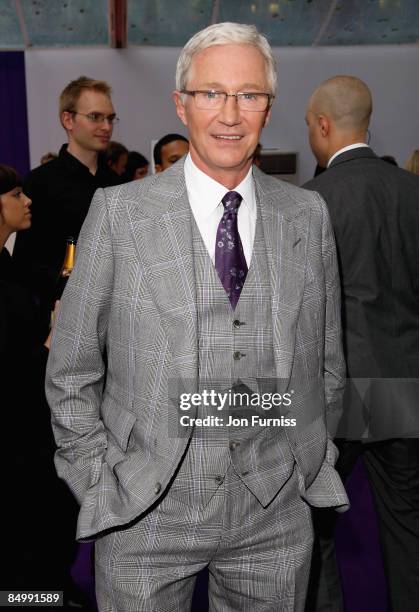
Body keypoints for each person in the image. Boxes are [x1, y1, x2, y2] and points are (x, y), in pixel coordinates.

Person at [46, 23, 348, 611]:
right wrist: (98, 480)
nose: (230, 113)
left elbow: (327, 364)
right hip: (144, 515)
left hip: (274, 518)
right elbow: (71, 367)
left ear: (268, 107)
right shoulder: (118, 214)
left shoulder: (308, 216)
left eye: (249, 95)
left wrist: (305, 458)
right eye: (212, 93)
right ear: (181, 104)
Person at [303, 75, 419, 612]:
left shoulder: (308, 204)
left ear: (323, 126)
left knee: (310, 525)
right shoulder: (412, 192)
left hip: (336, 391)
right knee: (409, 527)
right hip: (408, 381)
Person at [13, 76, 120, 337]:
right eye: (95, 117)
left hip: (116, 319)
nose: (106, 126)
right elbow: (26, 261)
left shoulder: (118, 184)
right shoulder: (40, 182)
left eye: (110, 118)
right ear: (68, 120)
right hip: (61, 317)